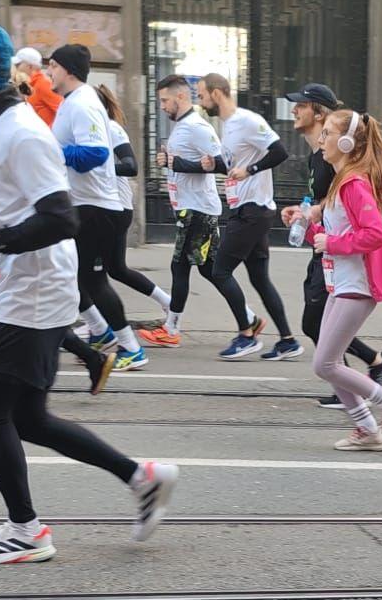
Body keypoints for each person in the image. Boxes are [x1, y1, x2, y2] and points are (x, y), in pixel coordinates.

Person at [0, 23, 179, 564]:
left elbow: (61, 217)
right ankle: (141, 478)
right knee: (28, 418)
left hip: (33, 295)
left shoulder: (20, 132)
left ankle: (26, 530)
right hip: (20, 291)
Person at [302, 109, 382, 450]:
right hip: (341, 282)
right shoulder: (342, 182)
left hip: (358, 285)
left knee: (325, 362)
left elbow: (375, 235)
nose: (321, 140)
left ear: (345, 142)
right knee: (330, 363)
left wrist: (333, 242)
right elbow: (337, 234)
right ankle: (368, 430)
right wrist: (312, 227)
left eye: (327, 134)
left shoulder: (354, 183)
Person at [133, 73, 258, 353]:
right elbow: (187, 163)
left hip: (198, 210)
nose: (162, 106)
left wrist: (178, 163)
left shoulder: (198, 127)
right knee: (211, 270)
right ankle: (249, 318)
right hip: (192, 208)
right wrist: (169, 162)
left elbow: (224, 163)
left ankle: (171, 329)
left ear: (181, 97)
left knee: (180, 267)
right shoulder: (181, 127)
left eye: (165, 100)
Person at [43, 44, 146, 370]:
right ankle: (100, 332)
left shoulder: (83, 104)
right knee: (74, 274)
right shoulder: (73, 102)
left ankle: (131, 349)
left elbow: (95, 154)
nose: (48, 72)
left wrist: (52, 153)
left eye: (53, 66)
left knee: (94, 280)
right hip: (84, 204)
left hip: (96, 208)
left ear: (68, 70)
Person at [282, 84, 382, 404]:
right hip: (328, 250)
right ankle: (365, 377)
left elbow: (369, 224)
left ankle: (379, 384)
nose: (294, 110)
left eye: (301, 105)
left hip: (344, 258)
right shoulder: (320, 157)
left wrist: (321, 220)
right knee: (318, 331)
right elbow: (328, 206)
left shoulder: (341, 167)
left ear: (319, 112)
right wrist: (307, 218)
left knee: (318, 336)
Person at [200, 72, 299, 361]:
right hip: (246, 208)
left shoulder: (247, 120)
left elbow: (280, 152)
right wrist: (215, 164)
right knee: (259, 278)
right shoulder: (228, 126)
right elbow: (236, 166)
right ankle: (288, 340)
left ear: (217, 94)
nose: (201, 101)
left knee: (219, 271)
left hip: (252, 210)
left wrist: (251, 171)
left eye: (202, 95)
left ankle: (247, 334)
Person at [13, 46, 60, 126]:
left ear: (30, 66)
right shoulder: (26, 85)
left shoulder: (43, 84)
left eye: (18, 65)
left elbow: (62, 112)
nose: (15, 68)